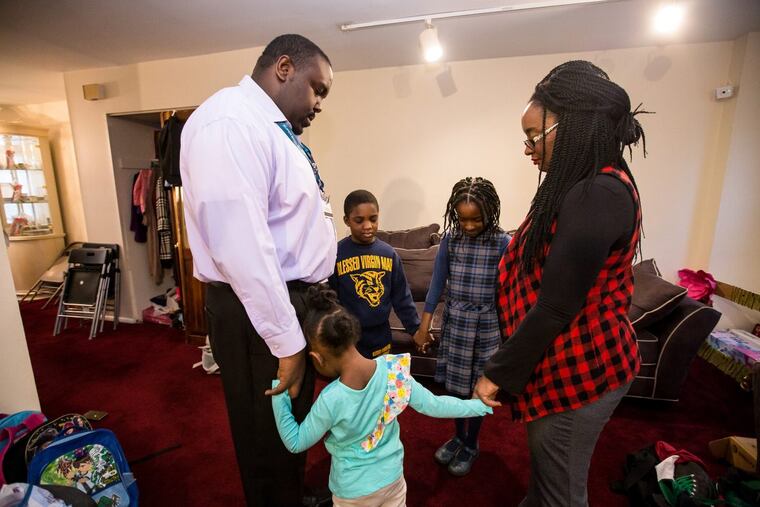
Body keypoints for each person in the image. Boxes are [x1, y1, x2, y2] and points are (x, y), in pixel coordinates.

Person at [473, 60, 649, 506]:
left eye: (534, 135)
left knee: (561, 495)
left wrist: (496, 373)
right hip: (556, 361)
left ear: (571, 126)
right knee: (547, 481)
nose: (528, 148)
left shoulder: (599, 193)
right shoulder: (577, 185)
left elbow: (556, 305)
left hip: (580, 370)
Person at [180, 34, 336, 506]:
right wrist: (285, 339)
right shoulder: (228, 122)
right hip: (259, 310)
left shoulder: (272, 128)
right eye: (318, 89)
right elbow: (242, 247)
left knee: (291, 421)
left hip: (291, 301)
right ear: (284, 68)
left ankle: (291, 490)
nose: (319, 104)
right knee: (264, 432)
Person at [272, 286, 492, 507]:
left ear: (317, 358)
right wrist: (478, 406)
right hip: (393, 481)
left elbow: (295, 441)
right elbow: (435, 405)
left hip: (352, 492)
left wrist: (279, 391)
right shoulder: (394, 372)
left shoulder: (331, 400)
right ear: (353, 334)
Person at [412, 177, 510, 476]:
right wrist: (424, 326)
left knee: (478, 390)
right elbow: (436, 285)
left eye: (476, 219)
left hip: (487, 324)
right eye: (462, 219)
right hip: (456, 322)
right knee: (455, 387)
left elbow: (508, 292)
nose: (468, 226)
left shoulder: (503, 242)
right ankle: (457, 436)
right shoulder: (450, 241)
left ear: (490, 212)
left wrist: (509, 337)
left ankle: (471, 442)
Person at [328, 189, 420, 358]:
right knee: (354, 383)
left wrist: (416, 329)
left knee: (381, 381)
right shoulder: (335, 254)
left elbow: (402, 298)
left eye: (373, 219)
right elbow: (331, 299)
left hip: (380, 336)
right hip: (348, 338)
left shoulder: (389, 254)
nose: (368, 226)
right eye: (359, 220)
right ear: (346, 221)